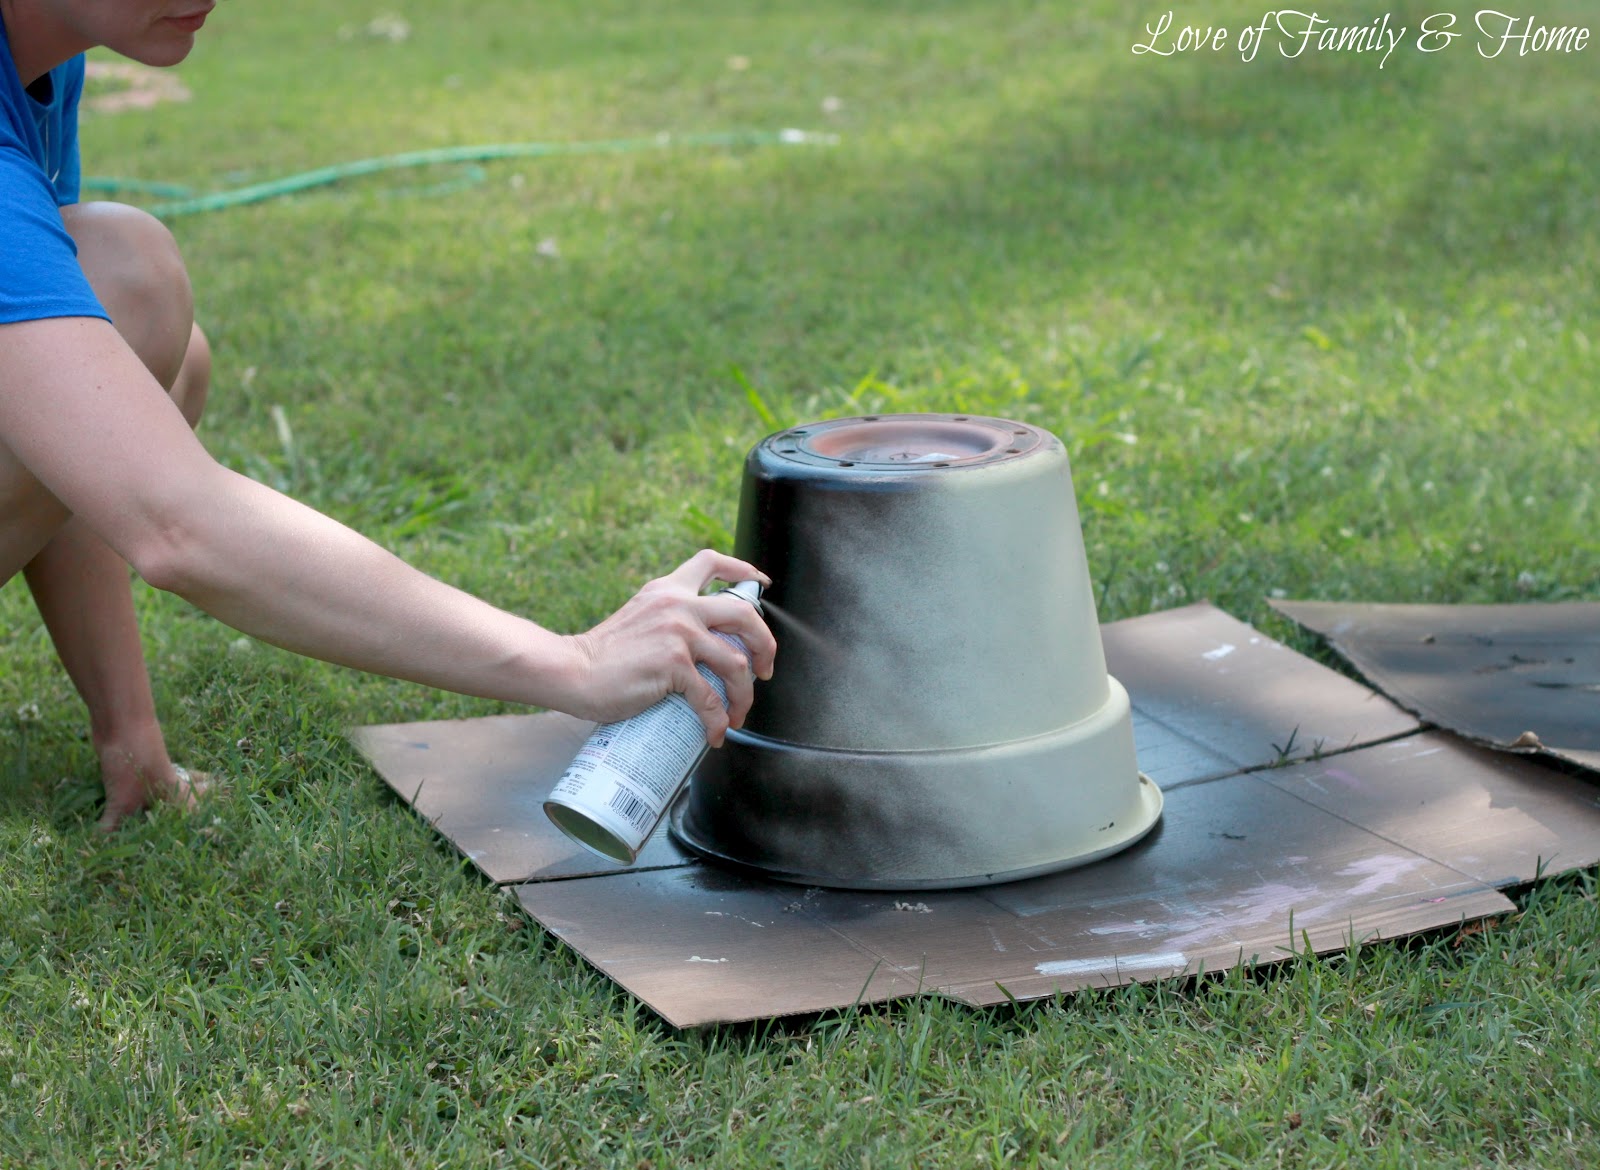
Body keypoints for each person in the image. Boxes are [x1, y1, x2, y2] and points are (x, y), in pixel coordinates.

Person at [0, 1, 776, 829]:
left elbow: (69, 439)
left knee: (149, 335)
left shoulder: (49, 55)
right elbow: (175, 520)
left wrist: (131, 737)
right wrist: (574, 662)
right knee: (128, 273)